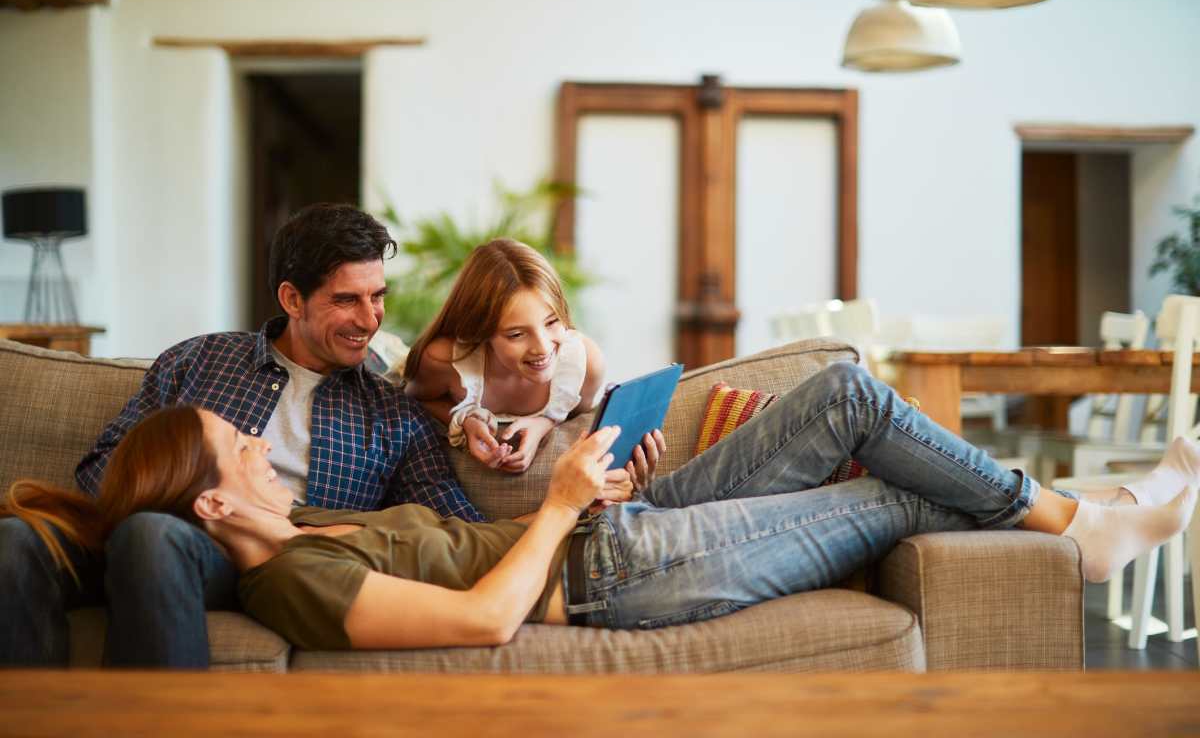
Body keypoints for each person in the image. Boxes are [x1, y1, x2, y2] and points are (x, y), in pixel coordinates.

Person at [6, 363, 1195, 651]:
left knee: (843, 395)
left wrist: (590, 476)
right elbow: (484, 620)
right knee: (887, 495)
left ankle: (1078, 518)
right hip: (611, 573)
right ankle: (1088, 528)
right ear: (213, 501)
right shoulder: (293, 579)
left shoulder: (310, 523)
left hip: (610, 524)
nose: (266, 448)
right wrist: (561, 504)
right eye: (242, 447)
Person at [0, 204, 636, 668]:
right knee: (17, 540)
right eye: (346, 301)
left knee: (151, 536)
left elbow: (459, 531)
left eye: (377, 297)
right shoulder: (200, 361)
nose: (370, 319)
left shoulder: (391, 412)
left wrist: (579, 491)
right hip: (163, 527)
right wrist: (199, 499)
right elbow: (102, 466)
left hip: (263, 562)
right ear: (292, 299)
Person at [403, 238, 608, 474]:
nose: (542, 347)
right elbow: (413, 401)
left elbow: (577, 423)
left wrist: (546, 423)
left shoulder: (584, 365)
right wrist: (464, 421)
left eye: (552, 322)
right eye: (516, 334)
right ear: (481, 332)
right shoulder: (445, 361)